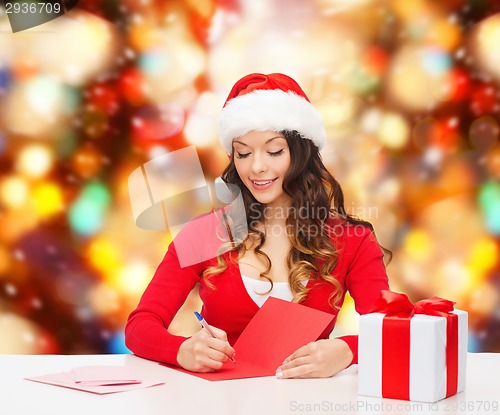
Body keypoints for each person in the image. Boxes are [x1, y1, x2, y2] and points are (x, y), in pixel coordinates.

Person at [125, 73, 390, 378]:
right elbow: (140, 326)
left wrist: (348, 351)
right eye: (243, 153)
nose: (256, 167)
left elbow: (392, 331)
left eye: (274, 151)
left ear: (301, 152)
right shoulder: (204, 234)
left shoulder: (351, 240)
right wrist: (181, 349)